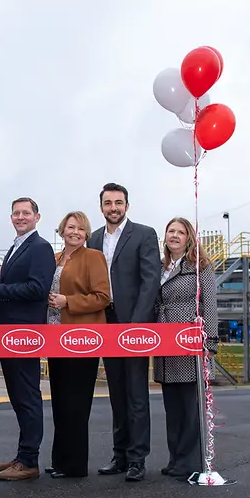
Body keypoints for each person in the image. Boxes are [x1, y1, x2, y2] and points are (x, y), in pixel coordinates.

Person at [87, 182, 160, 481]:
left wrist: (137, 325)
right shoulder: (93, 239)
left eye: (118, 203)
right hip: (105, 322)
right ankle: (119, 454)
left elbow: (150, 280)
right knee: (116, 393)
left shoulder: (144, 234)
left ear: (127, 206)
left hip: (134, 324)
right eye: (108, 203)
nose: (113, 208)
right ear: (101, 207)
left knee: (136, 393)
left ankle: (137, 458)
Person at [0, 197, 57, 481]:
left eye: (26, 213)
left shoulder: (40, 247)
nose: (20, 217)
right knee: (17, 395)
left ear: (37, 217)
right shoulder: (17, 246)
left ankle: (29, 460)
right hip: (8, 333)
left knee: (27, 396)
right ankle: (23, 454)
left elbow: (38, 288)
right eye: (16, 213)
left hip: (24, 335)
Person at [45, 211, 111, 478]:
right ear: (62, 230)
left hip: (81, 340)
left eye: (80, 228)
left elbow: (103, 297)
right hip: (54, 338)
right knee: (59, 401)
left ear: (87, 234)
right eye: (70, 227)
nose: (74, 232)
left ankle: (74, 464)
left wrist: (67, 301)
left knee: (76, 402)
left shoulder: (94, 257)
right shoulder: (54, 259)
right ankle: (60, 459)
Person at [153, 217, 218, 479]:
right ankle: (175, 457)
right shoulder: (160, 268)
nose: (175, 236)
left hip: (190, 344)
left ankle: (190, 460)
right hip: (165, 343)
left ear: (189, 237)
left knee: (190, 407)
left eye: (180, 232)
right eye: (171, 231)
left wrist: (209, 342)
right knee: (173, 407)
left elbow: (210, 305)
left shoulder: (200, 267)